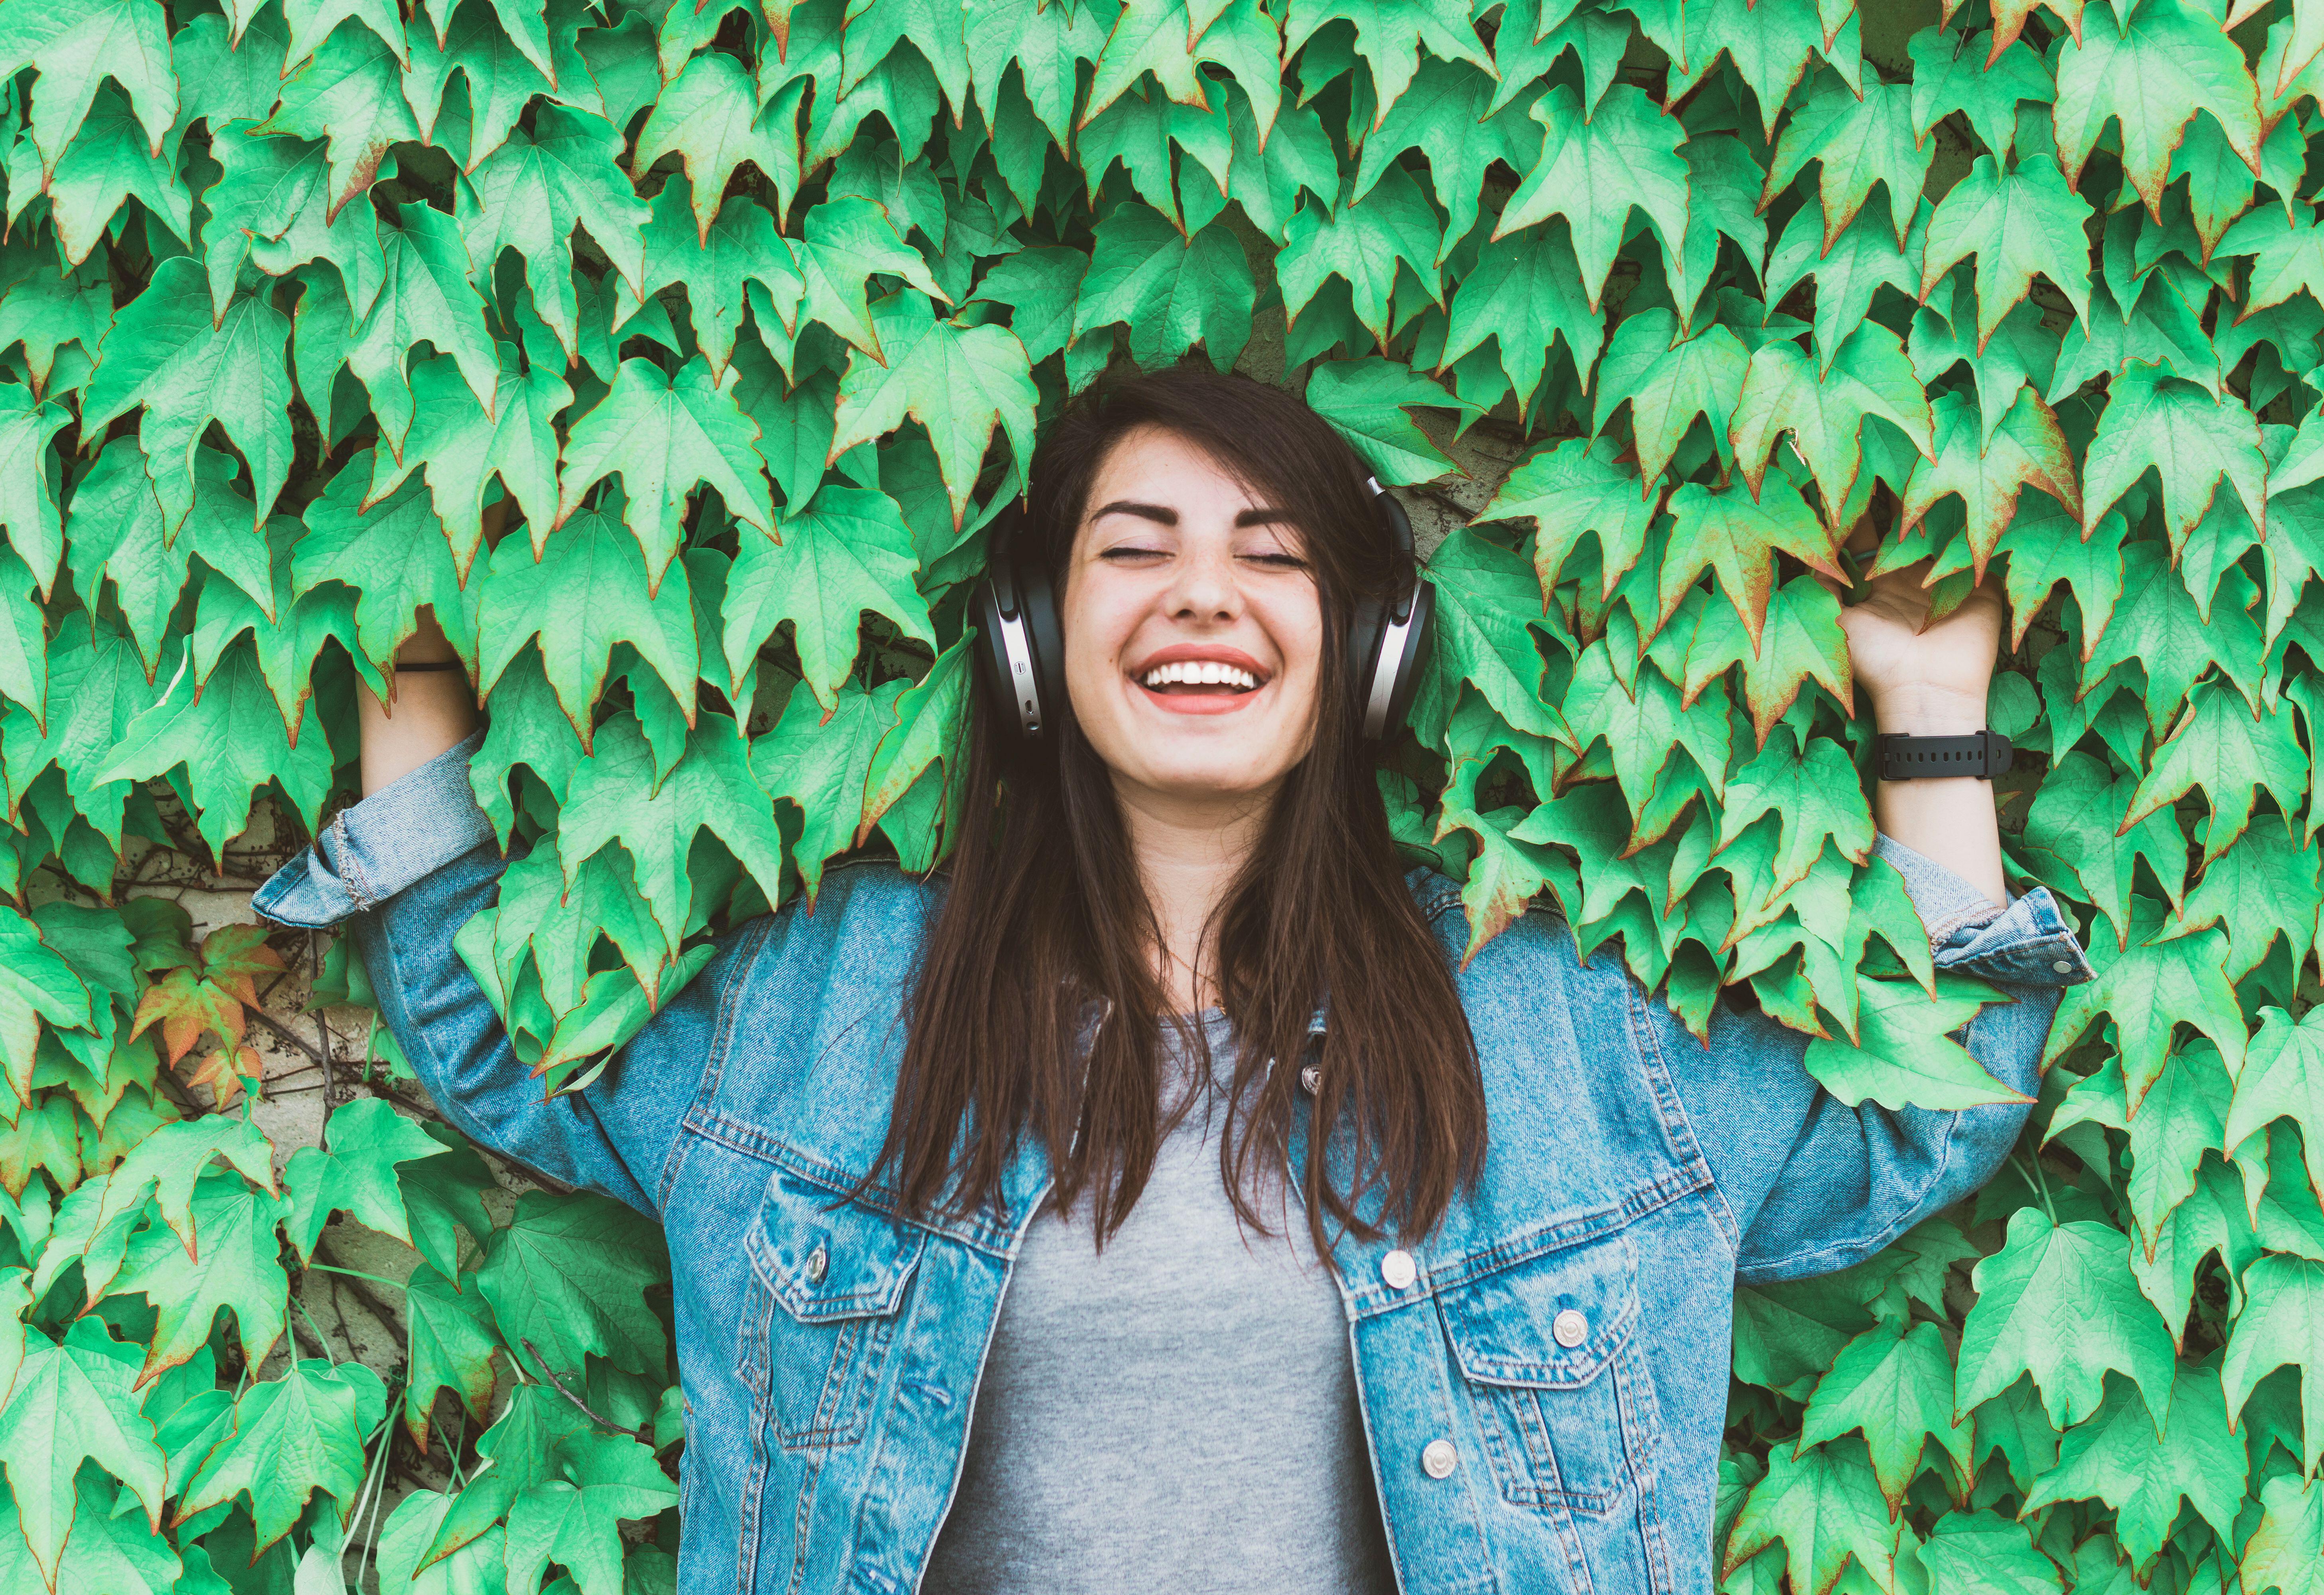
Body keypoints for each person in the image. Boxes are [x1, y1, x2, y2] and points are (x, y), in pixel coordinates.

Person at [254, 362, 2092, 1595]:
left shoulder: (1546, 1023)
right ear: (1033, 644)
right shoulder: (837, 1009)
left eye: (1270, 556)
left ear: (1367, 660)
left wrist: (1929, 719)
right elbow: (512, 1056)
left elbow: (1905, 1134)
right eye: (1135, 551)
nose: (1202, 595)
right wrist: (407, 665)